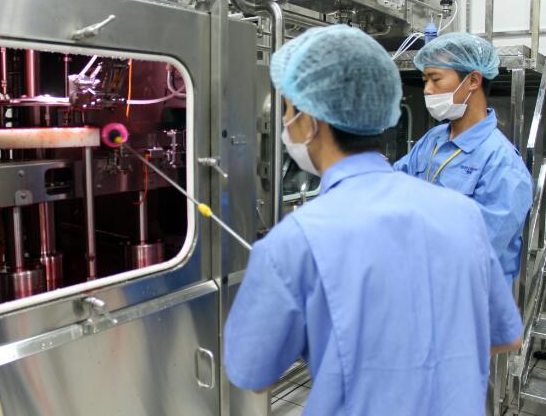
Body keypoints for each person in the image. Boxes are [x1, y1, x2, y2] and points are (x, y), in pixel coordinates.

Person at [223, 25, 522, 416]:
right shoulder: (461, 214)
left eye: (288, 111)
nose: (285, 123)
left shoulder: (292, 243)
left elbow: (252, 373)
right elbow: (504, 337)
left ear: (310, 121)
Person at [394, 33, 533, 287]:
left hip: (470, 296)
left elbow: (476, 251)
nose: (427, 89)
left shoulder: (502, 164)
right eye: (425, 80)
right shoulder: (433, 139)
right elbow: (394, 184)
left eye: (435, 79)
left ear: (473, 80)